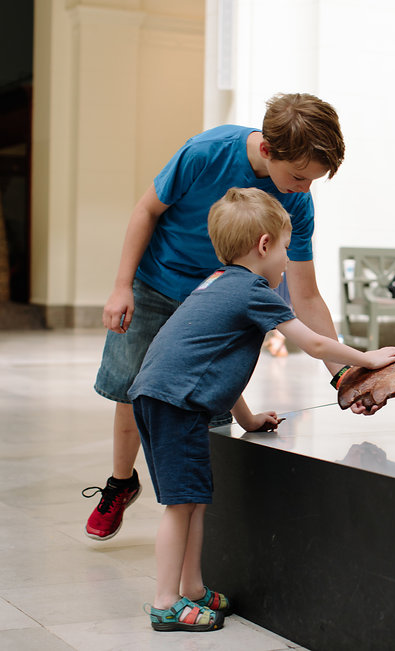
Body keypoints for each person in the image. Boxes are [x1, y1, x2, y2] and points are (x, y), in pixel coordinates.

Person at [129, 188, 395, 631]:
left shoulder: (216, 283)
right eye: (285, 249)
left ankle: (194, 590)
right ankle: (166, 602)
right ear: (263, 245)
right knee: (181, 505)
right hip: (175, 405)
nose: (285, 262)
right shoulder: (254, 291)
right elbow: (312, 342)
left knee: (193, 501)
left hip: (163, 397)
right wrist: (367, 358)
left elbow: (210, 366)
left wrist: (248, 419)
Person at [83, 93, 348, 541]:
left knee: (208, 398)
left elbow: (305, 294)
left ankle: (204, 519)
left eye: (313, 180)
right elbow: (147, 210)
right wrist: (122, 285)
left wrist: (341, 375)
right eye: (299, 176)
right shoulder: (206, 152)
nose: (304, 188)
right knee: (130, 388)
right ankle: (121, 482)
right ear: (267, 149)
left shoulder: (297, 203)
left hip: (219, 301)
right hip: (157, 283)